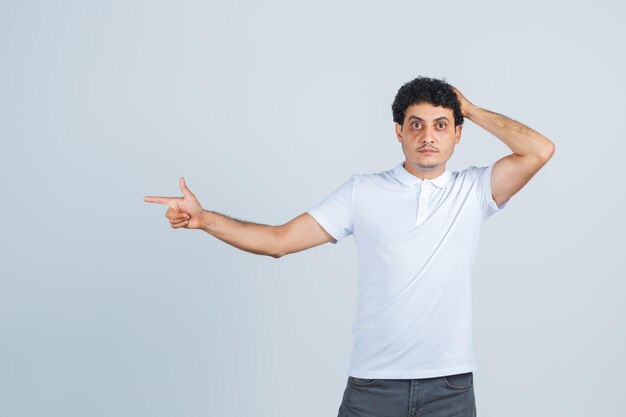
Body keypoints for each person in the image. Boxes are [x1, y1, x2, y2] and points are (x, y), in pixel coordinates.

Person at [144, 76, 555, 417]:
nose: (428, 136)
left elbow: (539, 150)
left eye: (441, 124)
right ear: (399, 132)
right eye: (416, 124)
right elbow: (278, 241)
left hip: (448, 386)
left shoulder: (475, 190)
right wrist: (204, 220)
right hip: (373, 384)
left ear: (457, 133)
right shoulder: (363, 192)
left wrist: (473, 109)